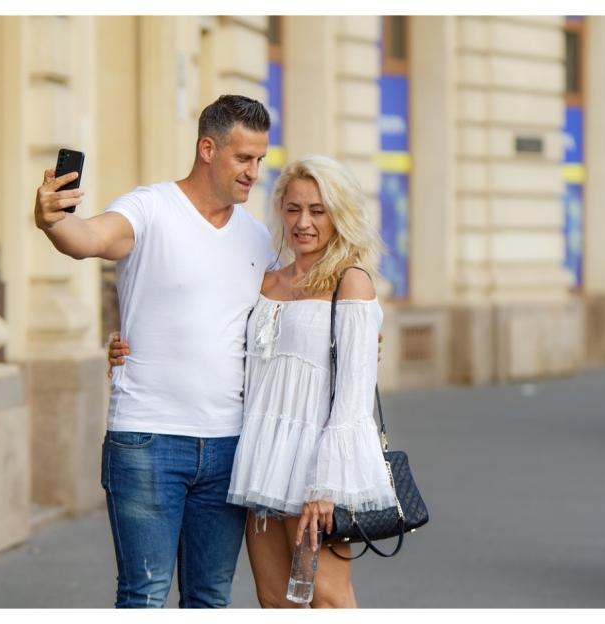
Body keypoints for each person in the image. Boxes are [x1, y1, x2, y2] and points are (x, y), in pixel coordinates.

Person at [110, 155, 398, 608]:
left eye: (318, 211)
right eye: (293, 209)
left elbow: (353, 399)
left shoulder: (351, 282)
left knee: (326, 598)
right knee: (276, 599)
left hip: (315, 462)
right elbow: (209, 329)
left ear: (339, 215)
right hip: (261, 459)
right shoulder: (266, 280)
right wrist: (126, 344)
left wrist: (326, 486)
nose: (303, 223)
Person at [34, 95, 274, 608]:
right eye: (243, 158)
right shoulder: (150, 208)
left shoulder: (258, 239)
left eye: (259, 160)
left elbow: (289, 313)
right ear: (207, 149)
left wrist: (354, 323)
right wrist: (54, 220)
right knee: (143, 595)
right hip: (148, 439)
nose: (254, 172)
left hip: (230, 445)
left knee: (210, 599)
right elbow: (87, 238)